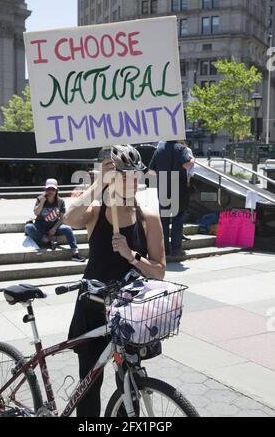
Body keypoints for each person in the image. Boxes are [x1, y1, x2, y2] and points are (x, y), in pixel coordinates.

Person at [64, 145, 166, 417]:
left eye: (137, 175)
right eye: (124, 175)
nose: (133, 181)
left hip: (129, 311)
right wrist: (97, 183)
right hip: (93, 307)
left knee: (129, 382)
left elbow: (159, 271)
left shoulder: (149, 217)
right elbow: (69, 218)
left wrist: (132, 256)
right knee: (89, 384)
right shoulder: (97, 208)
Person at [149, 141, 195, 262]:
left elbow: (151, 170)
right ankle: (176, 250)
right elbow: (186, 164)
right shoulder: (181, 148)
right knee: (177, 220)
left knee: (163, 221)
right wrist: (193, 160)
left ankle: (164, 250)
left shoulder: (159, 149)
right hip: (178, 186)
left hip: (163, 185)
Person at [25, 178, 85, 262]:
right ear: (45, 189)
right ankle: (47, 241)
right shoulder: (40, 199)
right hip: (40, 226)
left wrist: (54, 228)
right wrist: (42, 202)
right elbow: (36, 213)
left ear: (56, 190)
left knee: (67, 229)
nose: (50, 191)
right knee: (28, 227)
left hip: (54, 226)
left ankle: (75, 253)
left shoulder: (60, 201)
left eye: (52, 189)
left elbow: (62, 218)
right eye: (48, 189)